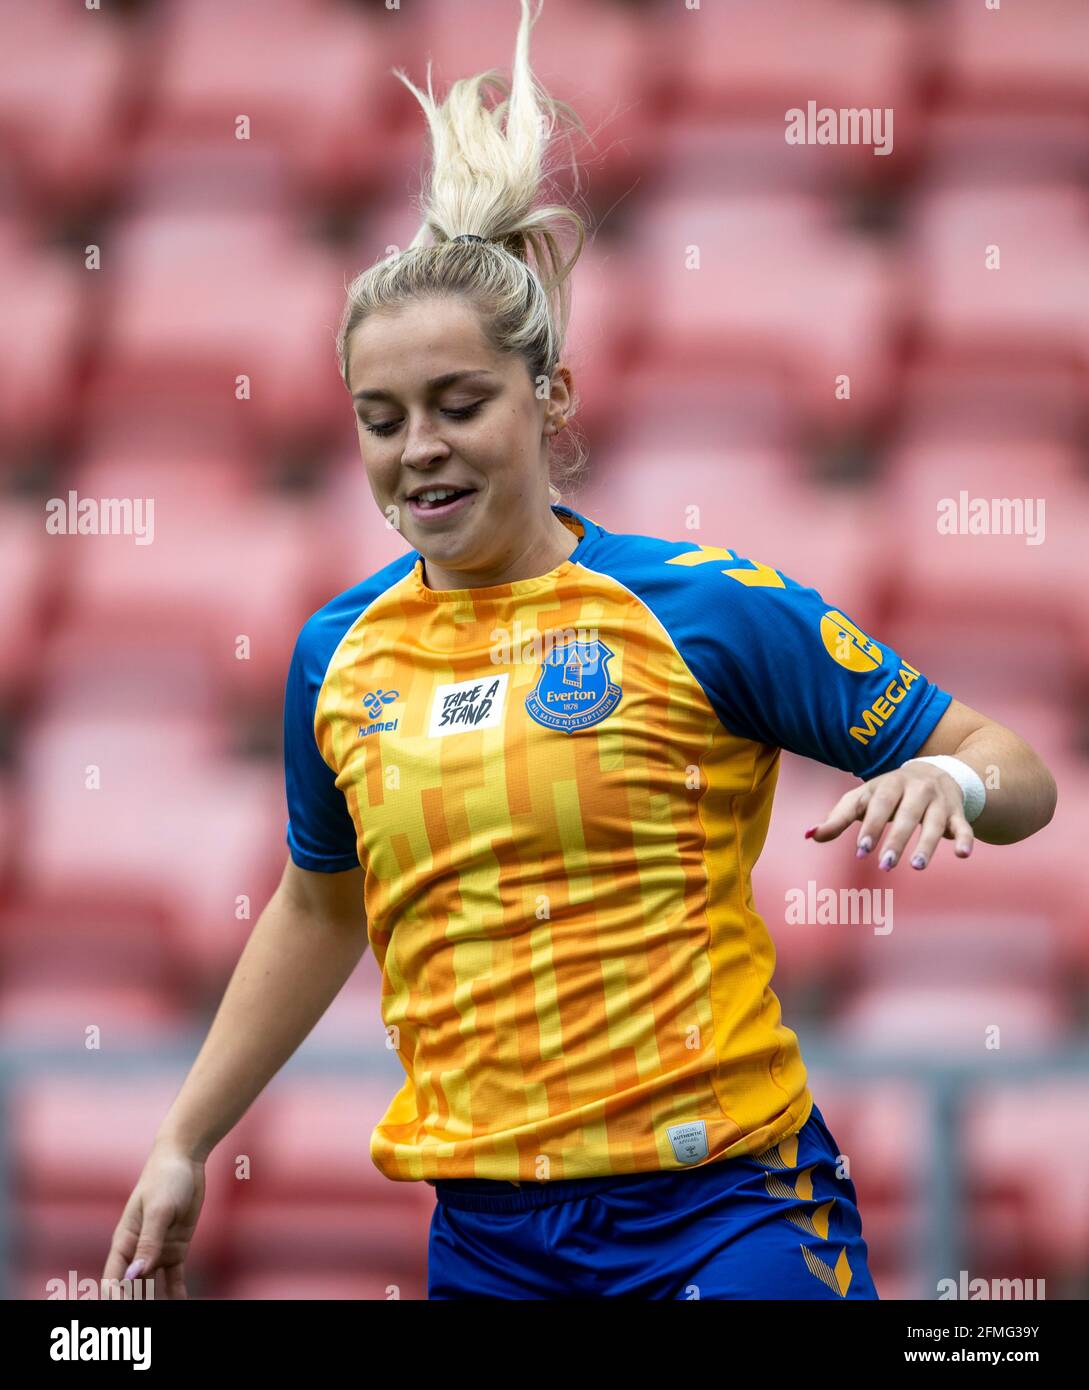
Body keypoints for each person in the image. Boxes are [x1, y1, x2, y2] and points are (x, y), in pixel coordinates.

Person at [103, 0, 1057, 1301]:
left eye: (458, 403)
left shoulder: (703, 609)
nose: (418, 446)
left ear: (546, 399)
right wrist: (183, 1138)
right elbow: (321, 904)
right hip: (487, 1243)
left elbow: (1015, 772)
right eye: (382, 418)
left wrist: (946, 782)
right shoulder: (340, 655)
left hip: (728, 1212)